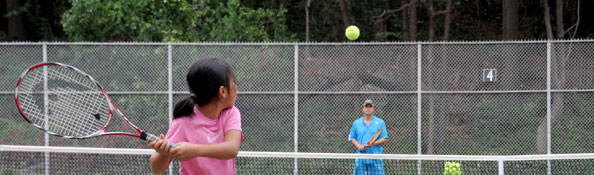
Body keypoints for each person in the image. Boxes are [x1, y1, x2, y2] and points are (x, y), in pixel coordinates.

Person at [149, 58, 243, 175]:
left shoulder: (231, 113)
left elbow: (231, 149)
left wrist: (194, 150)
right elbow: (156, 168)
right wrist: (163, 153)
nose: (236, 87)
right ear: (222, 91)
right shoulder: (182, 122)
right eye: (233, 82)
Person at [349, 99, 388, 175]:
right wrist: (359, 146)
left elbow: (385, 138)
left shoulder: (380, 122)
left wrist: (373, 143)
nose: (368, 109)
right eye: (366, 107)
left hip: (375, 157)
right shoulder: (356, 123)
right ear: (363, 108)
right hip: (361, 158)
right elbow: (352, 138)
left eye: (370, 107)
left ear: (374, 109)